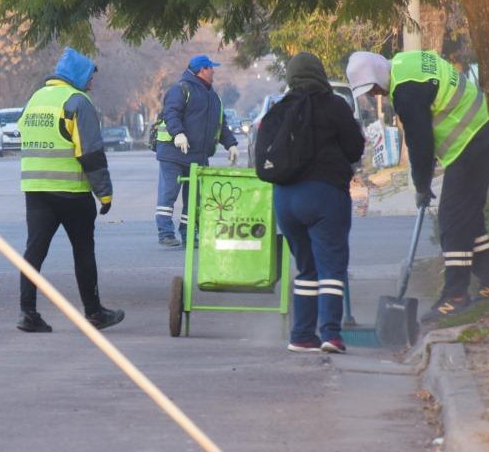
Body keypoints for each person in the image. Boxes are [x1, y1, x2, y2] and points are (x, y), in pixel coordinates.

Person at [346, 50, 489, 326]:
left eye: (373, 87)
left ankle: (456, 296)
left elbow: (420, 142)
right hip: (482, 131)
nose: (378, 93)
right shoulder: (406, 62)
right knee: (469, 217)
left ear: (378, 76)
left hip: (471, 141)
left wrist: (421, 185)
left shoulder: (406, 91)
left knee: (451, 220)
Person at [260, 52, 365, 353]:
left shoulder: (279, 109)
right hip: (324, 195)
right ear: (318, 73)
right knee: (331, 266)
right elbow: (355, 148)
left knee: (306, 268)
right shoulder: (334, 105)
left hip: (285, 200)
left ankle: (302, 335)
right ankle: (331, 334)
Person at [16, 47, 124, 334]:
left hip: (36, 188)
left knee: (34, 251)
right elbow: (91, 153)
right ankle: (94, 313)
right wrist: (105, 193)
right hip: (71, 191)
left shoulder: (35, 99)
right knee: (83, 251)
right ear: (77, 76)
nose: (92, 83)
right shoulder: (78, 101)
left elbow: (22, 132)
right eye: (90, 76)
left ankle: (28, 313)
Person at [152, 54, 239, 246]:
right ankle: (165, 233)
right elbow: (171, 113)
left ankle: (189, 233)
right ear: (201, 70)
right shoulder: (180, 89)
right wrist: (179, 134)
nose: (214, 71)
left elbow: (220, 124)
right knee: (169, 193)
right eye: (211, 68)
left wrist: (231, 144)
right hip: (173, 153)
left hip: (198, 156)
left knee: (195, 200)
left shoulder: (213, 97)